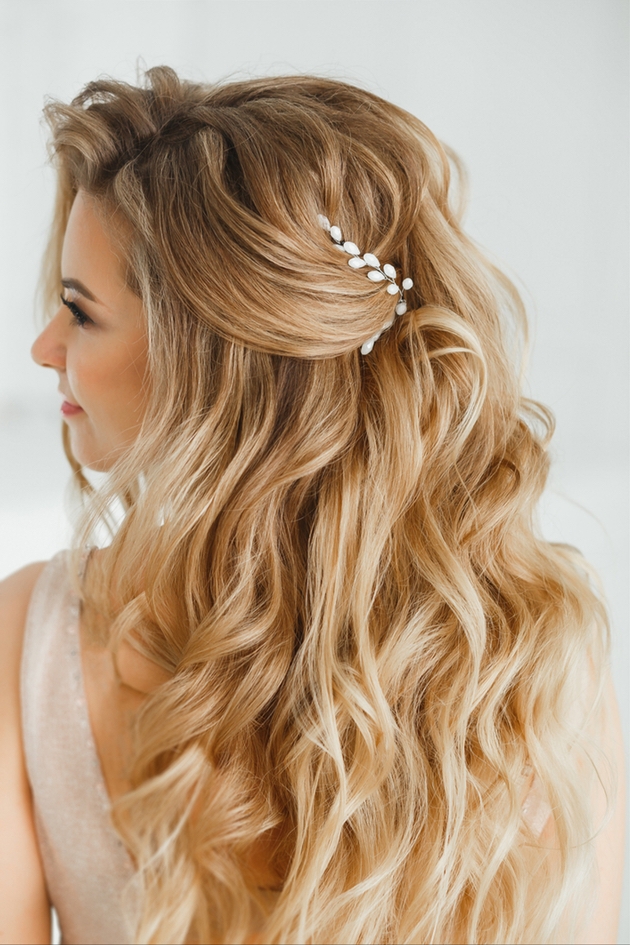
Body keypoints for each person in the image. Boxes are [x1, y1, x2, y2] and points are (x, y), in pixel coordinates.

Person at [0, 66, 624, 945]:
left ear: (210, 368)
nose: (43, 345)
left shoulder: (31, 641)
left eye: (80, 311)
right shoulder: (533, 659)